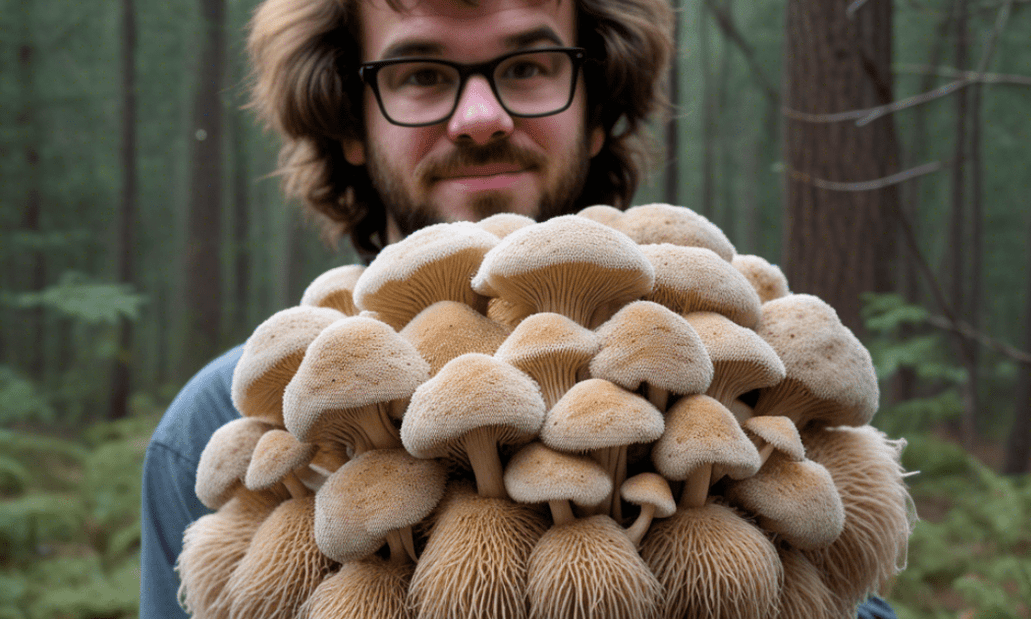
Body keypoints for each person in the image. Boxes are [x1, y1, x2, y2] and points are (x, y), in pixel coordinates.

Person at [139, 1, 897, 618]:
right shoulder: (215, 416)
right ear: (349, 125)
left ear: (601, 108)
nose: (479, 116)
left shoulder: (760, 366)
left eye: (529, 67)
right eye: (422, 73)